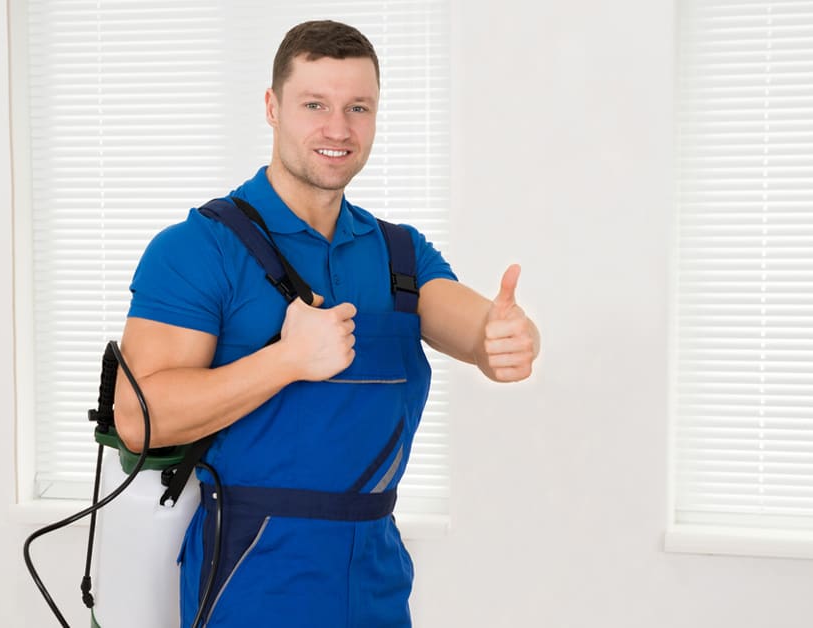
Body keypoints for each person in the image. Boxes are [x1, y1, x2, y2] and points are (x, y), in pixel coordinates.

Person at [113, 19, 540, 628]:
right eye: (315, 104)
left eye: (357, 108)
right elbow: (137, 419)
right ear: (272, 107)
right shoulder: (199, 248)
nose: (338, 129)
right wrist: (284, 361)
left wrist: (511, 340)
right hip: (251, 575)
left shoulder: (399, 255)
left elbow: (480, 330)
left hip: (375, 576)